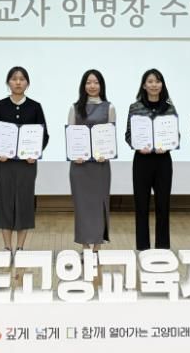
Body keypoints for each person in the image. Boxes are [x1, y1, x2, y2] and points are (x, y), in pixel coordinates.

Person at [0, 66, 49, 255]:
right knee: (4, 202)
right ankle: (7, 247)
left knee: (24, 202)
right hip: (5, 164)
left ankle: (20, 247)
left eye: (22, 79)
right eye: (14, 79)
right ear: (8, 82)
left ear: (27, 83)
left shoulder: (35, 106)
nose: (18, 82)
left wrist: (35, 153)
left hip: (26, 165)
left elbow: (44, 135)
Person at [125, 69, 177, 250]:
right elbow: (128, 134)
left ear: (162, 85)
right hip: (142, 160)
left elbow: (175, 135)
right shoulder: (135, 107)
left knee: (163, 205)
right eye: (150, 81)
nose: (154, 85)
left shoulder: (169, 107)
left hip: (163, 161)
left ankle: (162, 247)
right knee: (141, 205)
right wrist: (138, 146)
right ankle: (143, 248)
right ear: (144, 85)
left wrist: (168, 145)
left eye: (157, 81)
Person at [68, 69, 115, 253]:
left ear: (101, 85)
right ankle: (85, 246)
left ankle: (97, 246)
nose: (92, 86)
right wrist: (75, 154)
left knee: (99, 205)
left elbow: (110, 137)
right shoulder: (74, 108)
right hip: (80, 167)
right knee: (82, 206)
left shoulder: (109, 107)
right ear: (83, 86)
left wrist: (106, 152)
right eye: (88, 82)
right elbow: (71, 136)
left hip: (100, 166)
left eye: (96, 82)